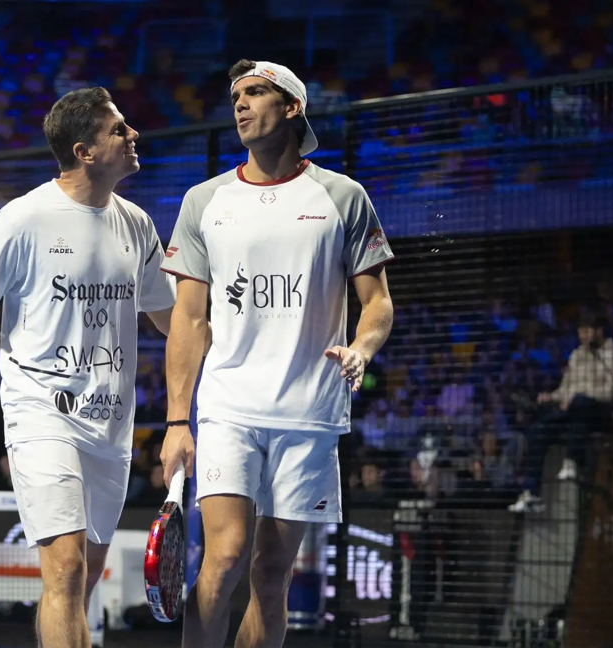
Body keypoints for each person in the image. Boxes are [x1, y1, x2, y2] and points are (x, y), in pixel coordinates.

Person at [0, 87, 175, 648]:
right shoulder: (22, 218)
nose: (134, 135)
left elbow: (170, 320)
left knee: (79, 584)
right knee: (64, 570)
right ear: (84, 150)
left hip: (110, 423)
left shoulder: (137, 224)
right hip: (42, 413)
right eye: (119, 129)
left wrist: (239, 345)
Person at [160, 59, 395, 648]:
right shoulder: (203, 200)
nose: (241, 104)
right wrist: (175, 420)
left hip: (309, 412)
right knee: (224, 556)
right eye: (236, 95)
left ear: (292, 107)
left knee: (271, 574)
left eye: (257, 93)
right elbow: (188, 320)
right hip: (228, 407)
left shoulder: (344, 196)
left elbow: (378, 303)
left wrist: (363, 348)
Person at [510, 311, 613, 512]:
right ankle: (532, 494)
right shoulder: (577, 355)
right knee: (538, 430)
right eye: (580, 332)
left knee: (580, 403)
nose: (582, 336)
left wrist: (576, 397)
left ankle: (572, 460)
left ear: (599, 331)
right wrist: (553, 397)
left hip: (603, 412)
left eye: (586, 331)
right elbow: (566, 388)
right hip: (575, 413)